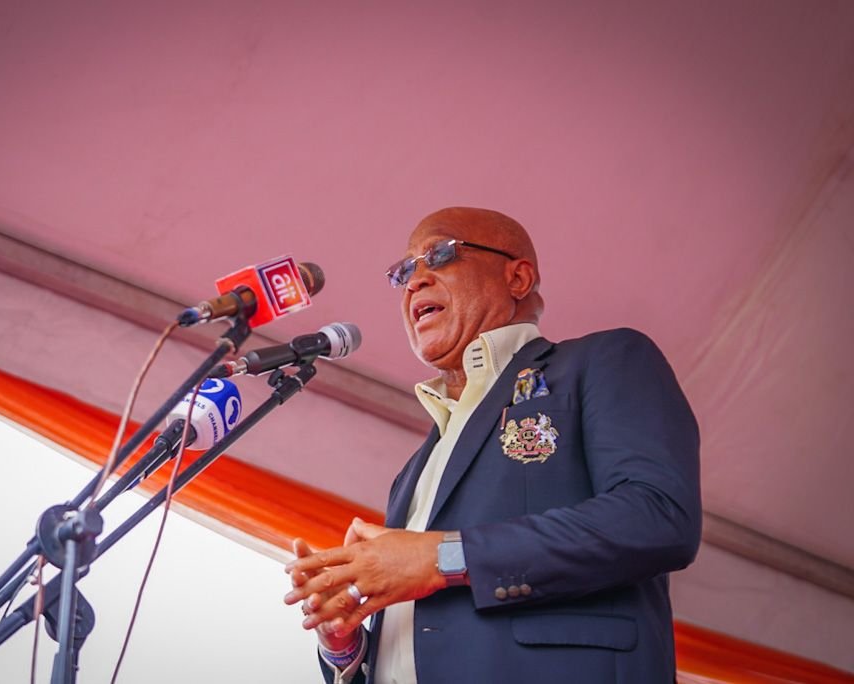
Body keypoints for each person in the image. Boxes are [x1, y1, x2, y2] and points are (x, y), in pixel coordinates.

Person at [283, 207, 702, 684]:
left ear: (517, 278)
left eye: (439, 255)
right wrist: (345, 645)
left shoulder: (602, 362)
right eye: (403, 272)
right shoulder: (416, 468)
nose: (414, 281)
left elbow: (659, 515)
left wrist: (441, 558)